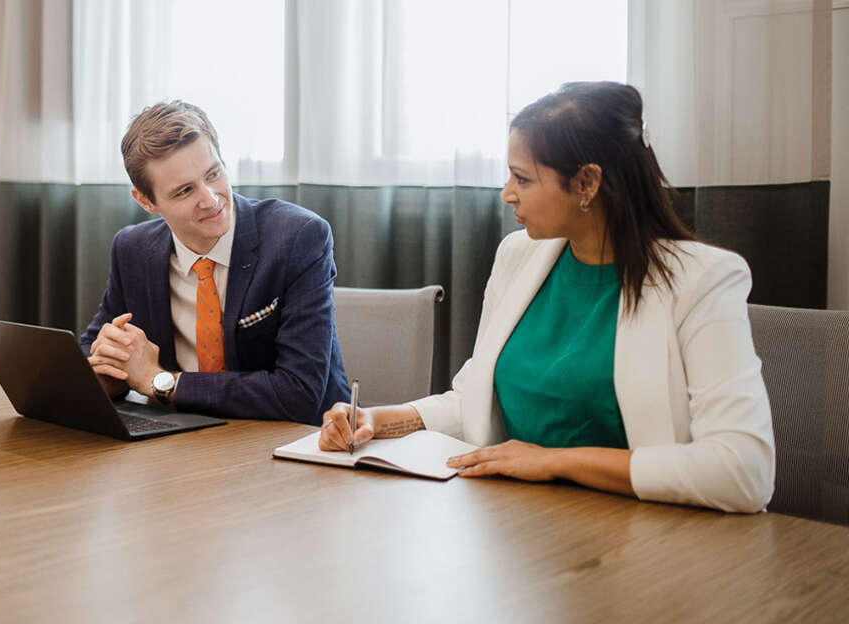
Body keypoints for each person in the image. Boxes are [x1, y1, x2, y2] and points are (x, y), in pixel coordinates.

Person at [319, 82, 775, 513]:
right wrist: (379, 421)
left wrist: (555, 460)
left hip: (646, 536)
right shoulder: (519, 255)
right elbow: (475, 400)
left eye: (523, 178)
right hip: (520, 522)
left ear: (586, 184)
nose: (506, 194)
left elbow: (743, 469)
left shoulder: (702, 280)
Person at [81, 100, 349, 425]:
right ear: (146, 200)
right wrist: (110, 372)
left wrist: (158, 381)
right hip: (180, 440)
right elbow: (94, 350)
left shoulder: (298, 238)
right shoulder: (134, 249)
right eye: (184, 191)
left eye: (213, 173)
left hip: (290, 442)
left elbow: (299, 394)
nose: (210, 199)